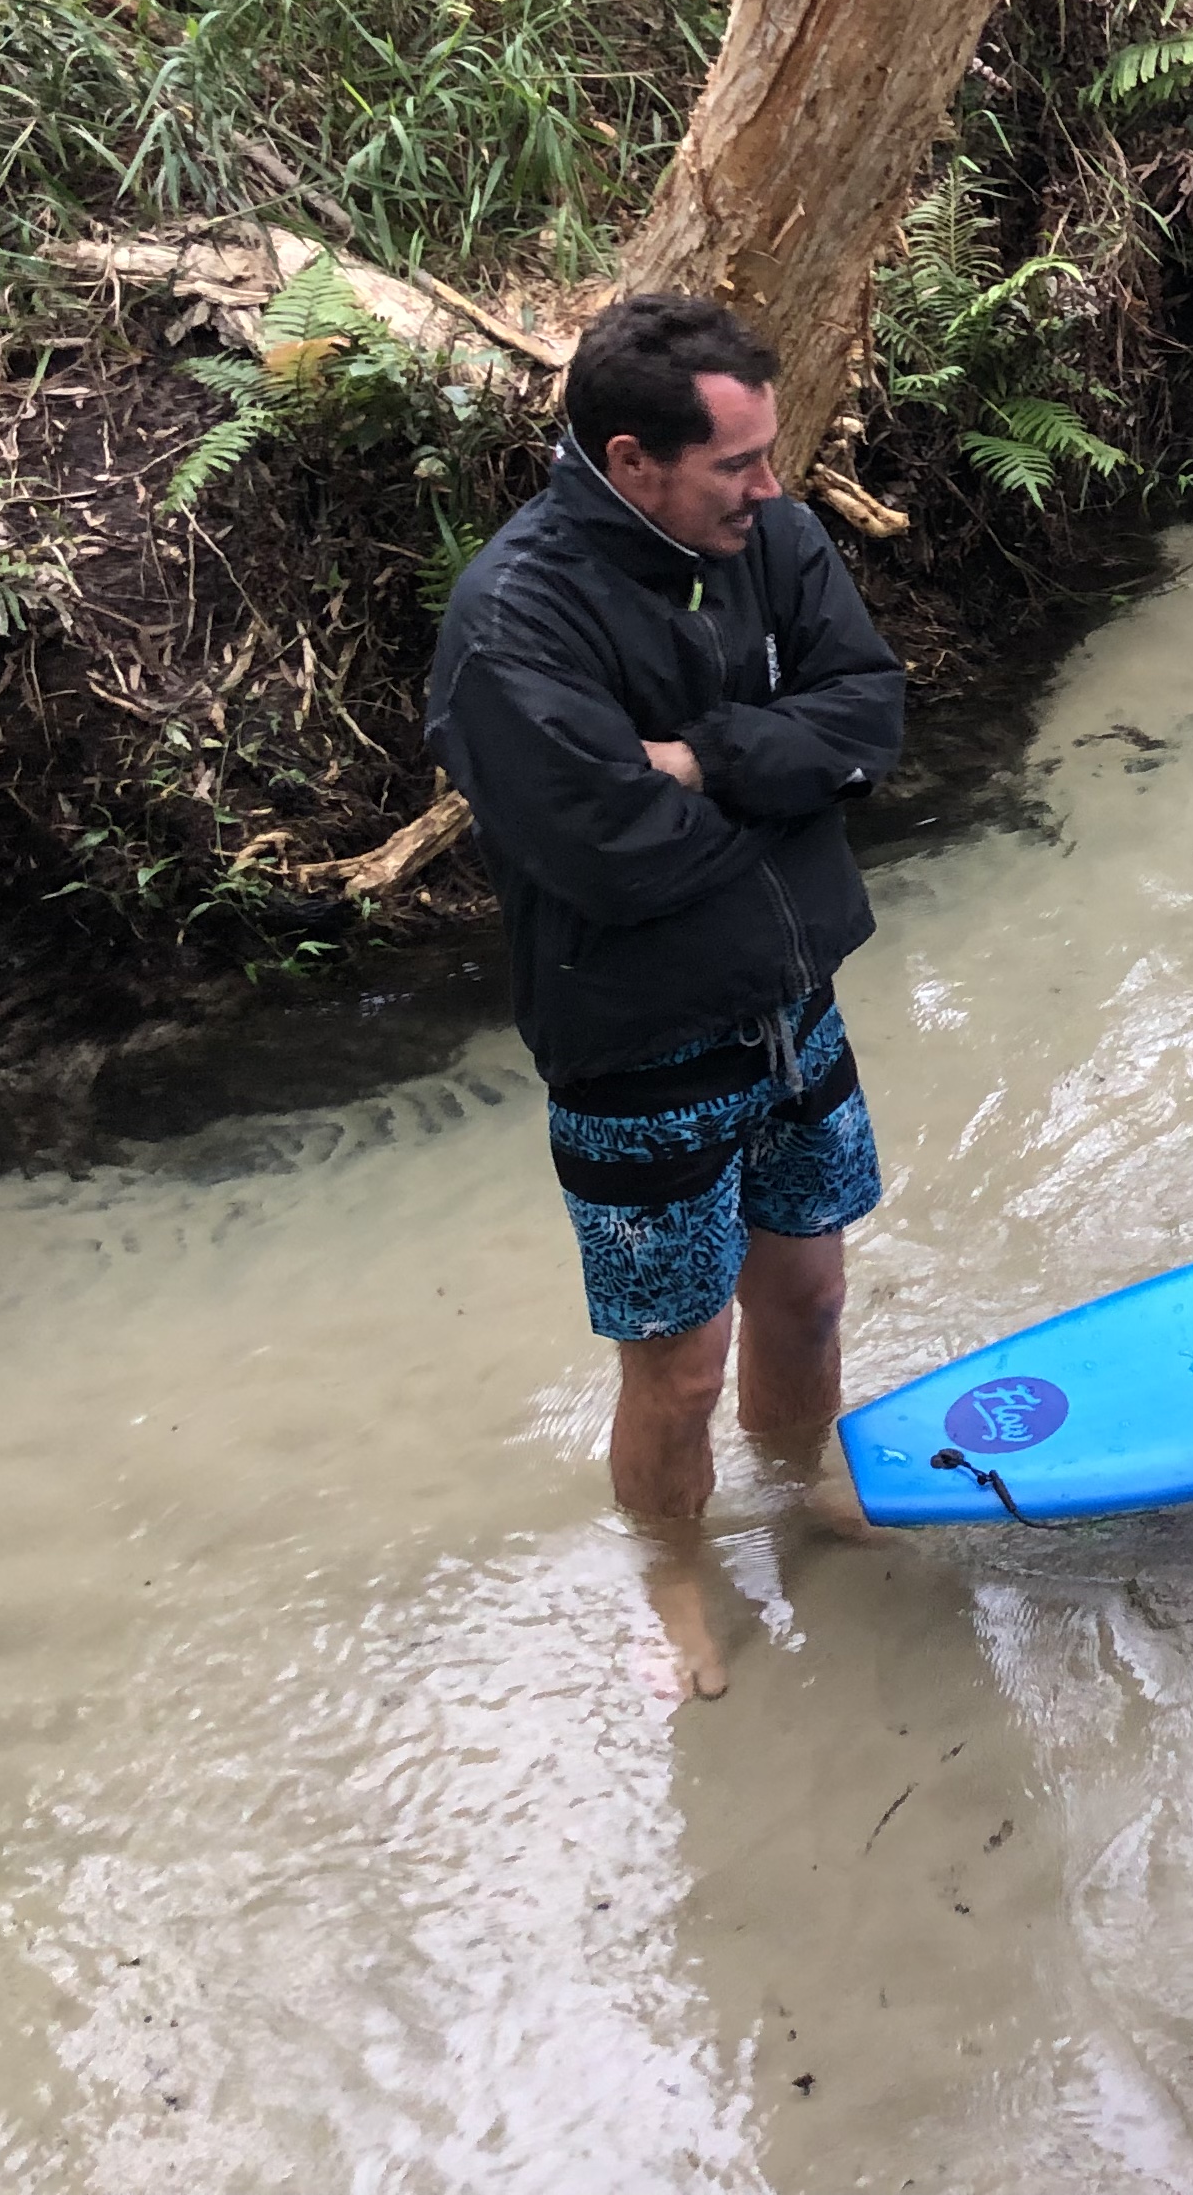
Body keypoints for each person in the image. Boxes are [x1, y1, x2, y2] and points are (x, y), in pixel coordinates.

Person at [426, 290, 905, 1698]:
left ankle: (800, 1491)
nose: (773, 486)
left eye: (770, 453)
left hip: (795, 1005)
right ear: (632, 461)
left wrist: (700, 759)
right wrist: (790, 782)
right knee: (680, 1366)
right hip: (637, 1047)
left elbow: (870, 715)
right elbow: (619, 859)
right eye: (735, 464)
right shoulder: (512, 622)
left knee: (810, 1296)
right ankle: (677, 1573)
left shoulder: (774, 535)